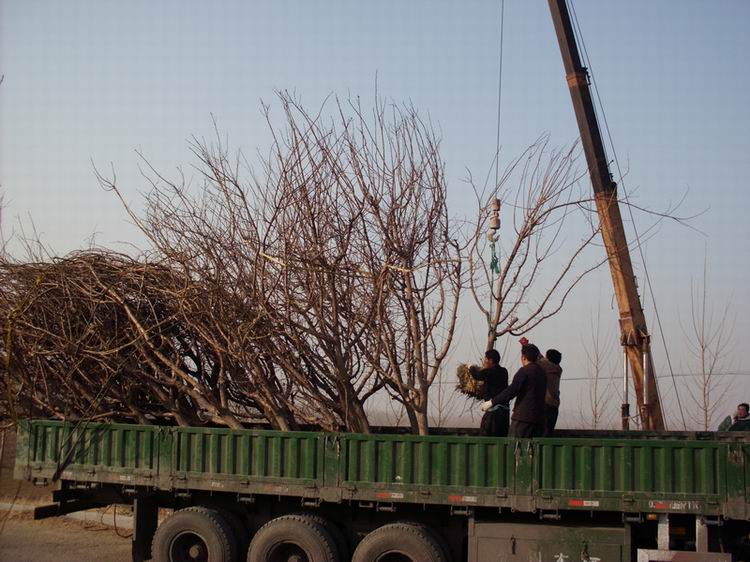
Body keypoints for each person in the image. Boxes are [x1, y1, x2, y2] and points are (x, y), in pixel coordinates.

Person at [481, 344, 547, 438]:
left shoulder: (524, 371)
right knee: (534, 450)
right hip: (540, 419)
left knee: (514, 448)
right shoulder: (542, 373)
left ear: (523, 357)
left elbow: (512, 390)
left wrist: (492, 402)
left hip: (523, 419)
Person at [470, 349, 509, 437]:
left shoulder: (490, 372)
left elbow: (477, 375)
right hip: (505, 413)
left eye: (486, 359)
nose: (484, 362)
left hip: (494, 413)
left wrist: (471, 368)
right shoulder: (504, 371)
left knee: (488, 436)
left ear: (491, 360)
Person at [538, 349, 562, 437]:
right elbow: (541, 358)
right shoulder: (558, 369)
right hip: (554, 406)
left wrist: (525, 345)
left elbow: (537, 359)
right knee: (548, 434)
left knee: (541, 435)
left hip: (546, 405)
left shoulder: (546, 366)